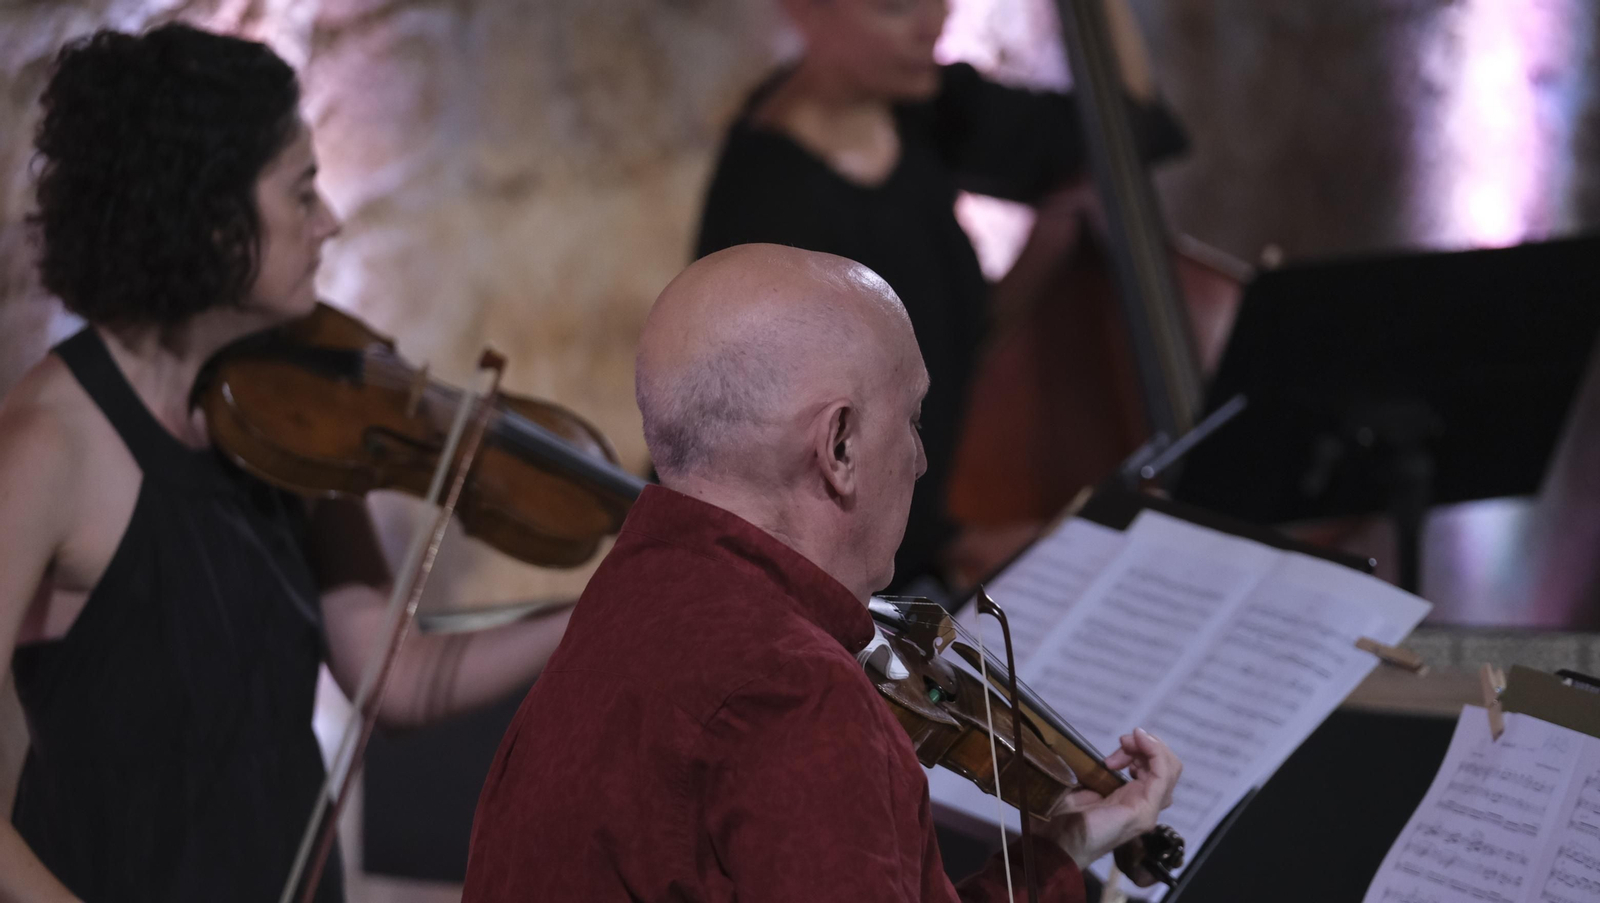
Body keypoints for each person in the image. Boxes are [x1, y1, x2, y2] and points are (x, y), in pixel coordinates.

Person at [0, 24, 579, 902]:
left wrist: (595, 612)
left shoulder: (295, 405)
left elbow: (398, 679)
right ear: (206, 217)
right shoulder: (48, 442)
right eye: (302, 193)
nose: (330, 220)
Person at [460, 243, 1180, 901]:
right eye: (914, 418)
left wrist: (1057, 853)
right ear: (837, 444)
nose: (921, 460)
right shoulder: (796, 695)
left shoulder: (622, 606)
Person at [695, 0, 1188, 595]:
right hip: (827, 584)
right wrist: (941, 549)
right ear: (804, 12)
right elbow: (786, 483)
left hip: (918, 551)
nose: (935, 23)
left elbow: (1128, 129)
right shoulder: (768, 201)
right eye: (894, 8)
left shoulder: (923, 108)